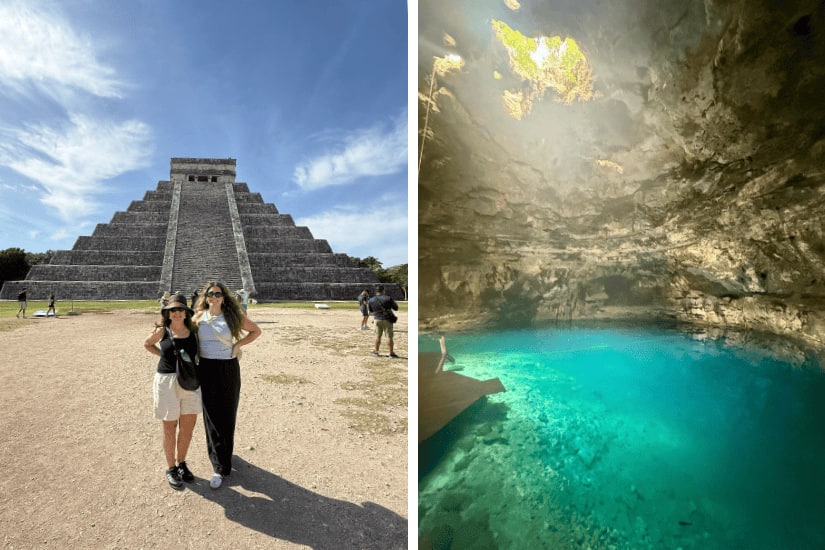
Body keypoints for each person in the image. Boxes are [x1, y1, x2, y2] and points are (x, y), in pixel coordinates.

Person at [193, 281, 261, 489]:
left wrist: (238, 344)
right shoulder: (197, 318)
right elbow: (180, 332)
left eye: (218, 294)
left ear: (223, 297)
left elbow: (256, 331)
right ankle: (219, 466)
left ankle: (224, 455)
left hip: (228, 369)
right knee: (211, 416)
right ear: (205, 297)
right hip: (205, 368)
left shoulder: (233, 317)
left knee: (227, 414)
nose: (214, 297)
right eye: (210, 294)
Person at [143, 293, 202, 489]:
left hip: (190, 382)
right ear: (167, 313)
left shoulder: (195, 331)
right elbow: (147, 344)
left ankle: (182, 462)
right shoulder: (163, 331)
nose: (177, 313)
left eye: (180, 309)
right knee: (169, 428)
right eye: (173, 310)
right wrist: (163, 355)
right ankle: (171, 468)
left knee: (187, 428)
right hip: (166, 381)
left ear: (186, 312)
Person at [368, 285, 399, 358]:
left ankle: (376, 351)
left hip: (377, 319)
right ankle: (391, 353)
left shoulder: (371, 299)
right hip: (387, 319)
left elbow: (371, 310)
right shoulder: (388, 298)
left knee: (378, 336)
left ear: (376, 291)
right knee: (389, 337)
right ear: (383, 290)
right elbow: (396, 308)